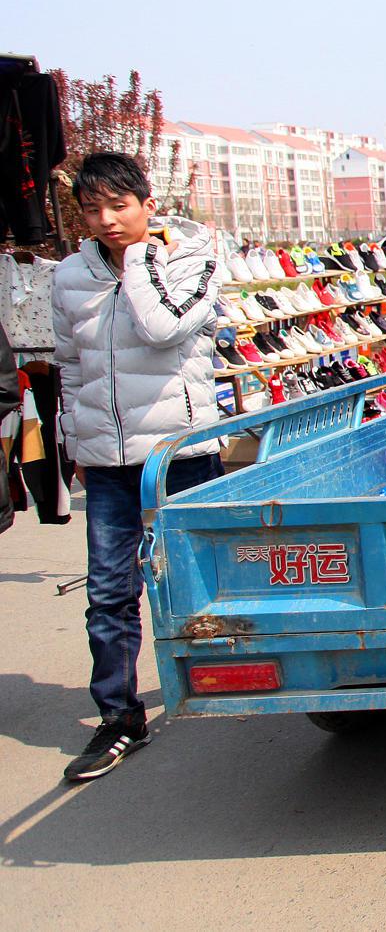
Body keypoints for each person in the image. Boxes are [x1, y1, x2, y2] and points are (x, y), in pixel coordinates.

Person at [54, 153, 225, 781]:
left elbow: (160, 330)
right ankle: (120, 718)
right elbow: (70, 363)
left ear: (147, 205)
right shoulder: (69, 275)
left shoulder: (193, 258)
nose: (106, 220)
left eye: (118, 206)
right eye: (93, 210)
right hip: (107, 463)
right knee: (108, 592)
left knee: (192, 582)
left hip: (177, 452)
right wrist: (75, 435)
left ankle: (221, 684)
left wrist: (138, 260)